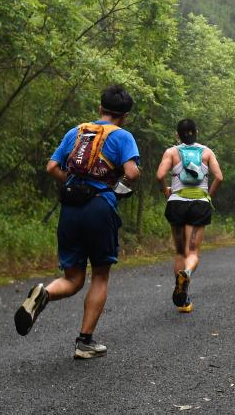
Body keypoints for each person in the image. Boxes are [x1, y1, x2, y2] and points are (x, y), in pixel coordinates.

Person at [14, 84, 140, 359]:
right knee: (100, 275)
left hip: (71, 208)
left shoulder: (77, 131)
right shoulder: (123, 136)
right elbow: (131, 171)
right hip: (100, 206)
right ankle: (84, 343)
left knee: (72, 277)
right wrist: (118, 182)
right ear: (124, 115)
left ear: (100, 109)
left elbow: (51, 167)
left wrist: (72, 183)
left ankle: (43, 293)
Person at [155, 118, 223, 313]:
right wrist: (208, 195)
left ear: (178, 134)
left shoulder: (171, 152)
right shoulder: (207, 152)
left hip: (176, 203)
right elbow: (219, 177)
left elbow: (160, 175)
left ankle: (183, 299)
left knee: (179, 252)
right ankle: (187, 273)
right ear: (197, 132)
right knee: (192, 252)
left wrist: (165, 191)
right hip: (199, 204)